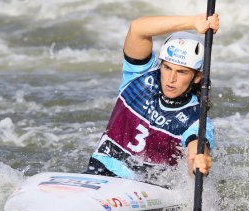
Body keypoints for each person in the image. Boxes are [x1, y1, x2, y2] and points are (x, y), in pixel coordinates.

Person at [86, 13, 220, 181]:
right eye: (167, 68)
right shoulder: (140, 75)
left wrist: (199, 161)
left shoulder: (196, 119)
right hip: (100, 170)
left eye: (182, 72)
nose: (171, 79)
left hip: (146, 190)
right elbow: (138, 29)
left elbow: (195, 149)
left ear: (197, 77)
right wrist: (193, 22)